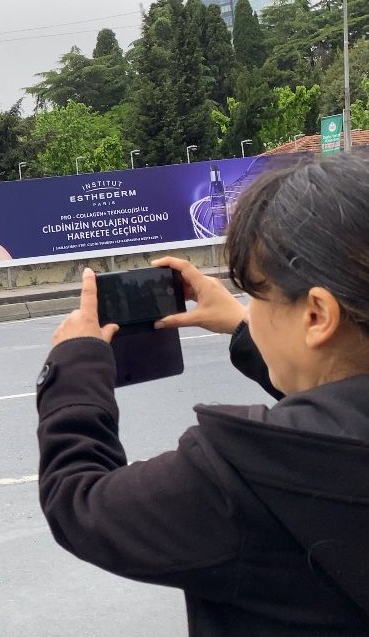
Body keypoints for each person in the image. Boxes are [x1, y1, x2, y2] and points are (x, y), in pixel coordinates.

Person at [37, 154, 369, 634]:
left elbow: (80, 503)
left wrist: (73, 367)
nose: (249, 311)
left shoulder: (246, 473)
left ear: (316, 315)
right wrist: (240, 325)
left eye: (256, 294)